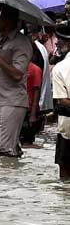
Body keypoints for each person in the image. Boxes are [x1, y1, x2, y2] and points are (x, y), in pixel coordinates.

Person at [0, 4, 34, 158]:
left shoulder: (21, 42)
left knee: (6, 150)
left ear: (9, 19)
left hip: (12, 101)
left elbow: (18, 74)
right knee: (10, 146)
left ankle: (8, 179)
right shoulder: (0, 41)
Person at [50, 25, 70, 178]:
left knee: (65, 172)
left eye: (59, 40)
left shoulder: (60, 68)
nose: (56, 43)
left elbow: (63, 101)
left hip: (67, 129)